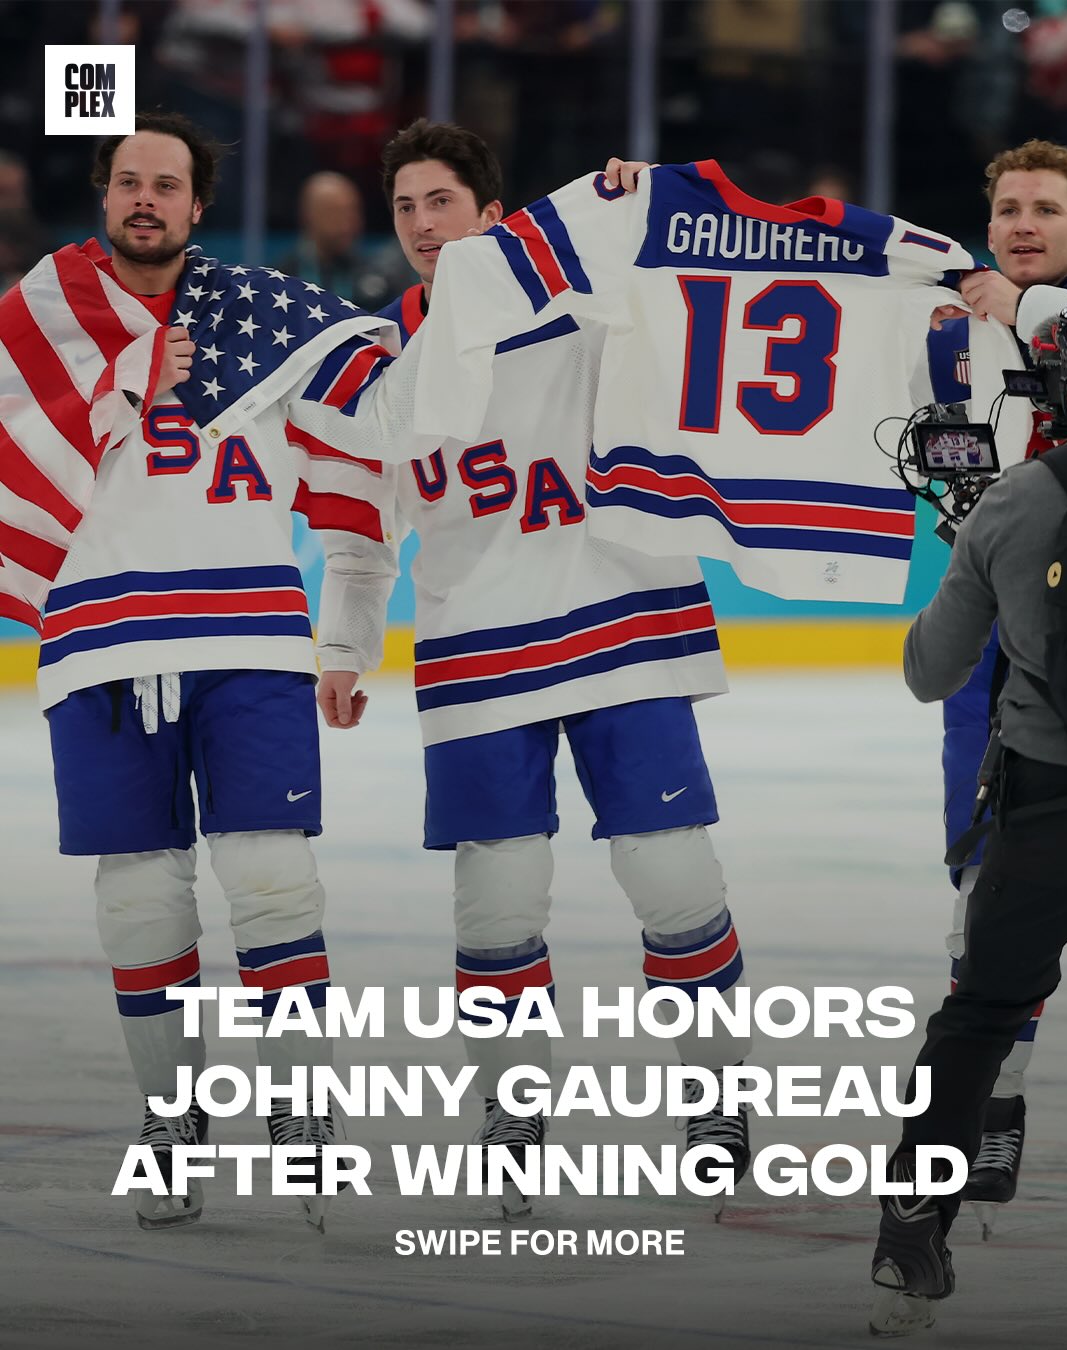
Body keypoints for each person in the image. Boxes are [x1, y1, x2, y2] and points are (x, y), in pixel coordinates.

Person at [315, 120, 753, 1218]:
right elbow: (360, 533)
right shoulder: (377, 363)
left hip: (621, 620)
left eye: (442, 202)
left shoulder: (592, 306)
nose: (423, 225)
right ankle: (513, 1114)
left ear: (495, 216)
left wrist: (654, 205)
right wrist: (344, 645)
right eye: (405, 206)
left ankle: (716, 1095)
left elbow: (705, 296)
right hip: (475, 647)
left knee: (672, 875)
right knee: (495, 902)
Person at [0, 111, 408, 1232]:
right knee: (140, 901)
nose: (147, 199)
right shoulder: (43, 312)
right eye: (128, 180)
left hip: (249, 638)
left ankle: (301, 1112)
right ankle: (171, 1119)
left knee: (275, 879)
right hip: (103, 641)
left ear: (198, 204)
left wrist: (345, 638)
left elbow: (359, 458)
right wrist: (123, 377)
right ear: (103, 194)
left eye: (167, 184)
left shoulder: (270, 318)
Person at [868, 297, 1067, 1337]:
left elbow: (930, 672)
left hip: (1050, 804)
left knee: (981, 1014)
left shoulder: (1019, 498)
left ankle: (911, 1229)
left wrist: (973, 540)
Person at [925, 139, 1067, 1233]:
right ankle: (997, 1103)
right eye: (1009, 208)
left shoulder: (1039, 312)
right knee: (984, 900)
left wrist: (1024, 306)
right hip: (997, 641)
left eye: (1047, 208)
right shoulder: (947, 331)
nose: (1024, 223)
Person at [277, 170, 401, 313]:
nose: (348, 223)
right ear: (308, 215)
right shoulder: (283, 280)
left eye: (353, 211)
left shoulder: (379, 279)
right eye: (335, 212)